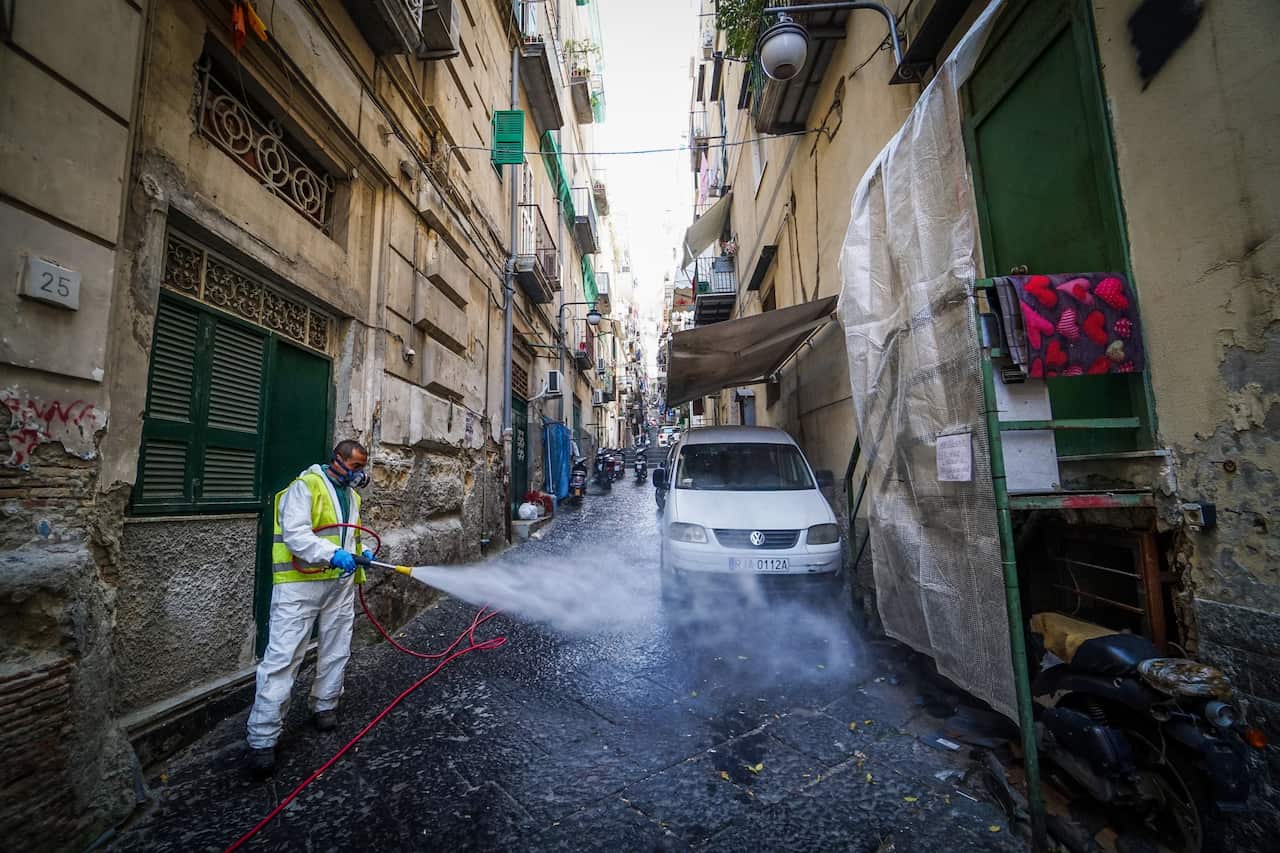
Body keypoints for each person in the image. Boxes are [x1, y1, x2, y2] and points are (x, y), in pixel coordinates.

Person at [245, 439, 373, 777]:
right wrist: (333, 555)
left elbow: (350, 537)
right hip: (300, 586)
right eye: (356, 466)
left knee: (336, 648)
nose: (361, 474)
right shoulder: (305, 487)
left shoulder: (353, 497)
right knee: (283, 658)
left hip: (339, 585)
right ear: (338, 460)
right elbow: (295, 535)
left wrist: (363, 554)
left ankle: (325, 705)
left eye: (363, 467)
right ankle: (263, 738)